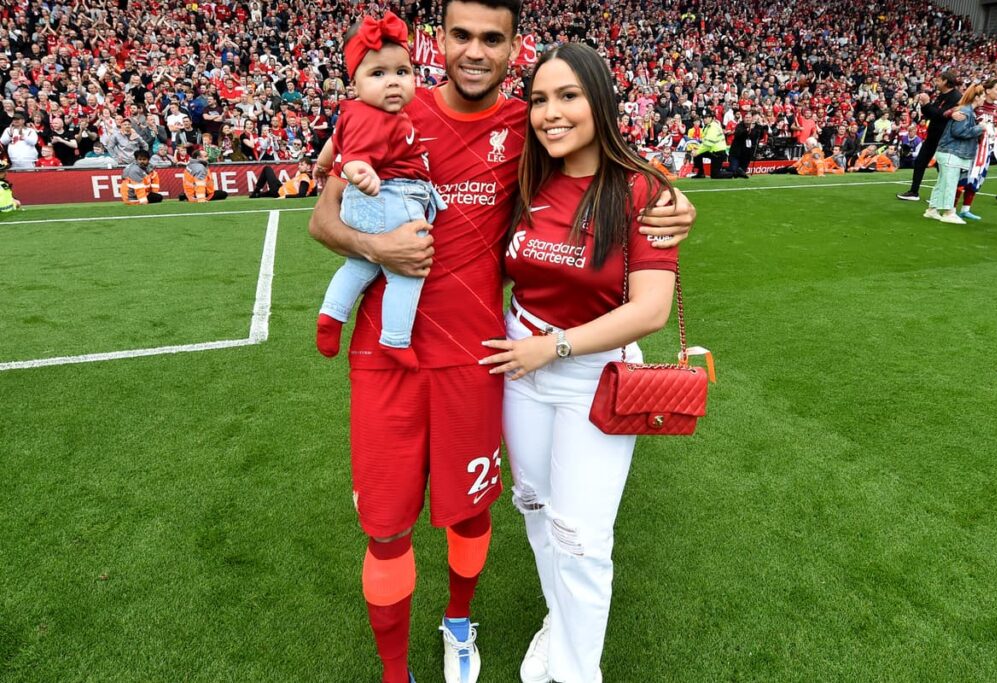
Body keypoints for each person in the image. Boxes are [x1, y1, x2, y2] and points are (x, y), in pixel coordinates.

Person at [307, 2, 695, 682]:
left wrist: (671, 199)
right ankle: (395, 673)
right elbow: (322, 216)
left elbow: (601, 164)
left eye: (493, 38)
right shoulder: (396, 109)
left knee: (471, 508)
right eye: (462, 35)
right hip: (386, 356)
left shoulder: (528, 127)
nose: (475, 50)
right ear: (441, 40)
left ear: (514, 47)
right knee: (389, 526)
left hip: (479, 356)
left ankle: (460, 621)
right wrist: (377, 245)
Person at [478, 43, 680, 683]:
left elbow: (650, 310)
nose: (550, 113)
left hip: (595, 374)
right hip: (522, 363)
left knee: (583, 540)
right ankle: (559, 625)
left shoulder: (643, 188)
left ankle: (575, 672)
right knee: (536, 509)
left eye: (568, 96)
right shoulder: (525, 180)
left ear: (601, 101)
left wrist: (556, 347)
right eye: (539, 99)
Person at [313, 13, 446, 368]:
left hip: (368, 204)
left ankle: (331, 315)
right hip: (391, 198)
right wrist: (361, 173)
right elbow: (356, 156)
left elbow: (335, 145)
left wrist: (325, 164)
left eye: (402, 73)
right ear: (353, 81)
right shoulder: (375, 117)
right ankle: (395, 339)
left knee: (357, 266)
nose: (393, 83)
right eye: (378, 74)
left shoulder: (353, 112)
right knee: (408, 271)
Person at [923, 84, 987, 225]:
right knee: (950, 183)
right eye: (982, 96)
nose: (984, 99)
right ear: (976, 97)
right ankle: (948, 212)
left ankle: (932, 210)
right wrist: (979, 128)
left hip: (949, 151)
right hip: (952, 151)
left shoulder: (964, 110)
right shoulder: (966, 112)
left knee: (942, 183)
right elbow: (958, 132)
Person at [898, 70, 962, 201]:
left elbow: (941, 115)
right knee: (920, 162)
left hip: (944, 137)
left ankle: (943, 194)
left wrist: (927, 104)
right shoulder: (941, 95)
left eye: (939, 80)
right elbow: (930, 114)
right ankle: (914, 191)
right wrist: (924, 105)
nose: (936, 82)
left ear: (945, 81)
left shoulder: (955, 96)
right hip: (933, 135)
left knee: (942, 167)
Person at [953, 78, 997, 221]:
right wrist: (952, 114)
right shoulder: (974, 106)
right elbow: (955, 111)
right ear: (988, 91)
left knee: (977, 178)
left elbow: (996, 128)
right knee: (963, 178)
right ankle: (951, 209)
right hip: (969, 149)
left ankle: (965, 210)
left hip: (985, 151)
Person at [689, 109, 731, 178]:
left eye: (706, 117)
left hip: (719, 153)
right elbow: (704, 143)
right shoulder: (707, 126)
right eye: (703, 117)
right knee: (698, 154)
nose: (704, 119)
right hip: (713, 151)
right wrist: (697, 150)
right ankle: (701, 173)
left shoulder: (713, 127)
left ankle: (734, 172)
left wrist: (698, 151)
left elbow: (708, 144)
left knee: (715, 175)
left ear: (711, 118)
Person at [248, 156, 317, 198]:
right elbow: (313, 192)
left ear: (308, 167)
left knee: (267, 169)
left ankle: (256, 191)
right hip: (281, 188)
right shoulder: (306, 176)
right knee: (265, 193)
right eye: (299, 164)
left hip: (279, 192)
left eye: (301, 165)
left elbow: (302, 194)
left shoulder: (305, 177)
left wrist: (285, 197)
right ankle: (256, 194)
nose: (299, 166)